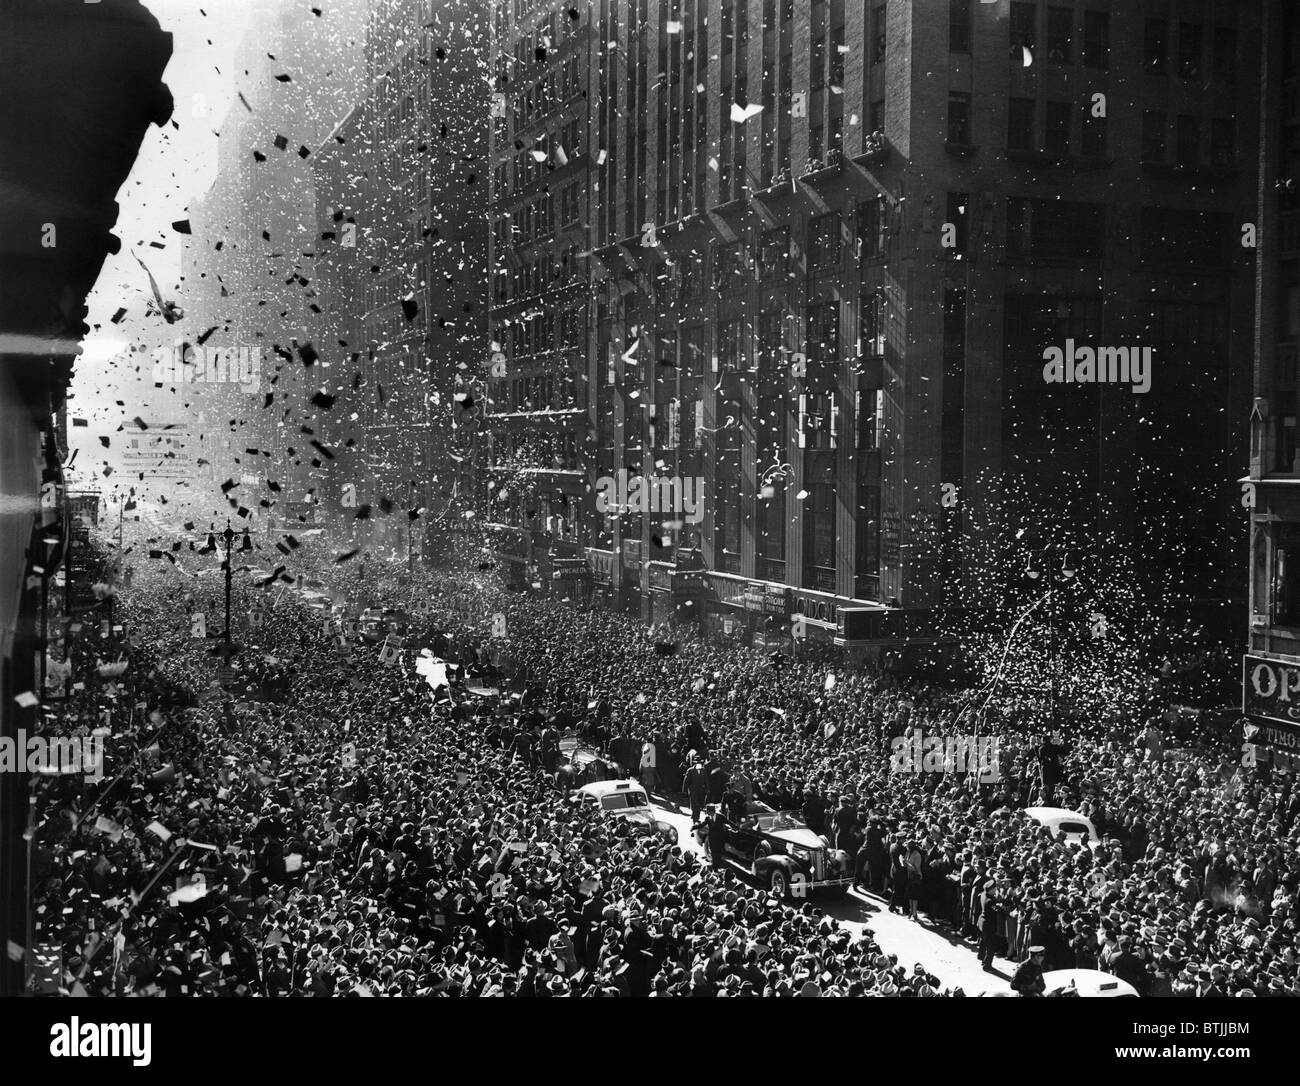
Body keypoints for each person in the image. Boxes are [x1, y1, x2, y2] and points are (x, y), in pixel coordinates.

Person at [683, 756, 708, 823]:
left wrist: (707, 788)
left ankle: (696, 816)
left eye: (699, 762)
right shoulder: (690, 770)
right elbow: (686, 781)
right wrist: (684, 790)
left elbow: (706, 780)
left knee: (699, 804)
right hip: (693, 790)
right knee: (694, 804)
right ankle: (695, 818)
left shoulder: (703, 770)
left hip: (701, 791)